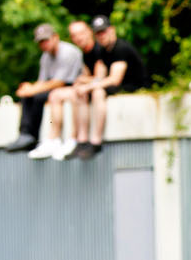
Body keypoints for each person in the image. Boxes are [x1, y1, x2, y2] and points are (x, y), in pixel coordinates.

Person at [63, 14, 149, 160]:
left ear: (112, 30)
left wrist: (88, 87)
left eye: (103, 31)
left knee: (97, 92)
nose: (101, 35)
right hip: (118, 85)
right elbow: (100, 77)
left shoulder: (120, 48)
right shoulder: (103, 51)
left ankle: (96, 141)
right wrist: (84, 84)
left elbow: (115, 79)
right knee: (82, 92)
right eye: (98, 33)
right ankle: (82, 140)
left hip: (133, 86)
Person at [7, 23, 83, 155]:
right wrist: (29, 88)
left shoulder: (68, 52)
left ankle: (47, 138)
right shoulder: (45, 56)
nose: (44, 44)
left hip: (70, 86)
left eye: (46, 40)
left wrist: (33, 90)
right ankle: (26, 135)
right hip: (55, 87)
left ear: (55, 37)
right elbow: (42, 81)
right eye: (41, 42)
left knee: (37, 96)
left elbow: (59, 82)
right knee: (28, 96)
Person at [40, 20, 101, 161]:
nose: (78, 38)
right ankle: (54, 139)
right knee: (55, 95)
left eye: (81, 33)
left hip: (98, 89)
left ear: (89, 32)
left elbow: (100, 78)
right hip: (85, 88)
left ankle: (76, 139)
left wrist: (83, 81)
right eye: (74, 35)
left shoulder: (99, 50)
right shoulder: (81, 53)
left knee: (76, 93)